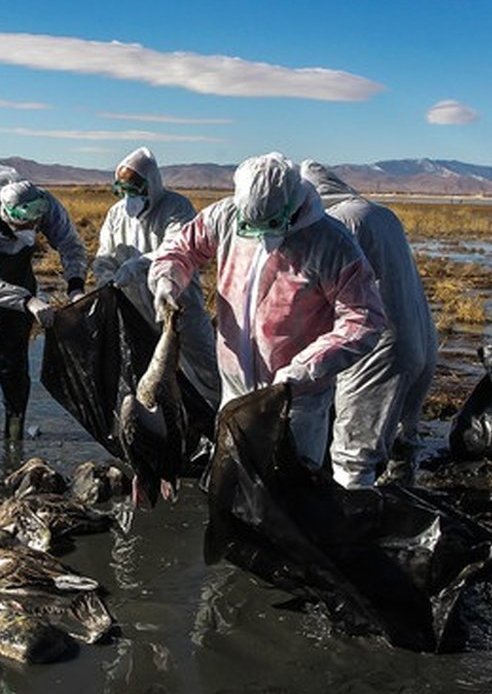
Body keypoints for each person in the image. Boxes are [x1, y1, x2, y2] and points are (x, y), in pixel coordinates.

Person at [149, 152, 386, 470]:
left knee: (289, 488)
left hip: (295, 398)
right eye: (250, 226)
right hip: (234, 388)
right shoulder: (225, 216)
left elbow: (364, 318)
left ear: (292, 206)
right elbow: (182, 248)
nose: (260, 237)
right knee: (233, 481)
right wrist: (167, 279)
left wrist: (305, 368)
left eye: (272, 226)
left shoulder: (330, 244)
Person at [300, 160, 438, 488]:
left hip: (376, 351)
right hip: (419, 339)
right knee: (404, 435)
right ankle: (405, 506)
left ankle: (356, 528)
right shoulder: (382, 214)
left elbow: (317, 293)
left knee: (353, 455)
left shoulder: (336, 222)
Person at [0, 164, 88, 440]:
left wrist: (76, 287)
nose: (33, 228)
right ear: (6, 216)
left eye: (35, 224)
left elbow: (70, 244)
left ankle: (14, 439)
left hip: (21, 288)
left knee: (14, 367)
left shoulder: (44, 203)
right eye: (25, 225)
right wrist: (28, 302)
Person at [91, 146, 221, 410]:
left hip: (179, 304)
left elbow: (176, 247)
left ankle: (215, 420)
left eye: (134, 189)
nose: (128, 196)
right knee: (148, 371)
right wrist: (105, 276)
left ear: (151, 184)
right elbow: (105, 254)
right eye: (122, 189)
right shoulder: (117, 214)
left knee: (204, 369)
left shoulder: (175, 207)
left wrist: (137, 266)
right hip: (135, 308)